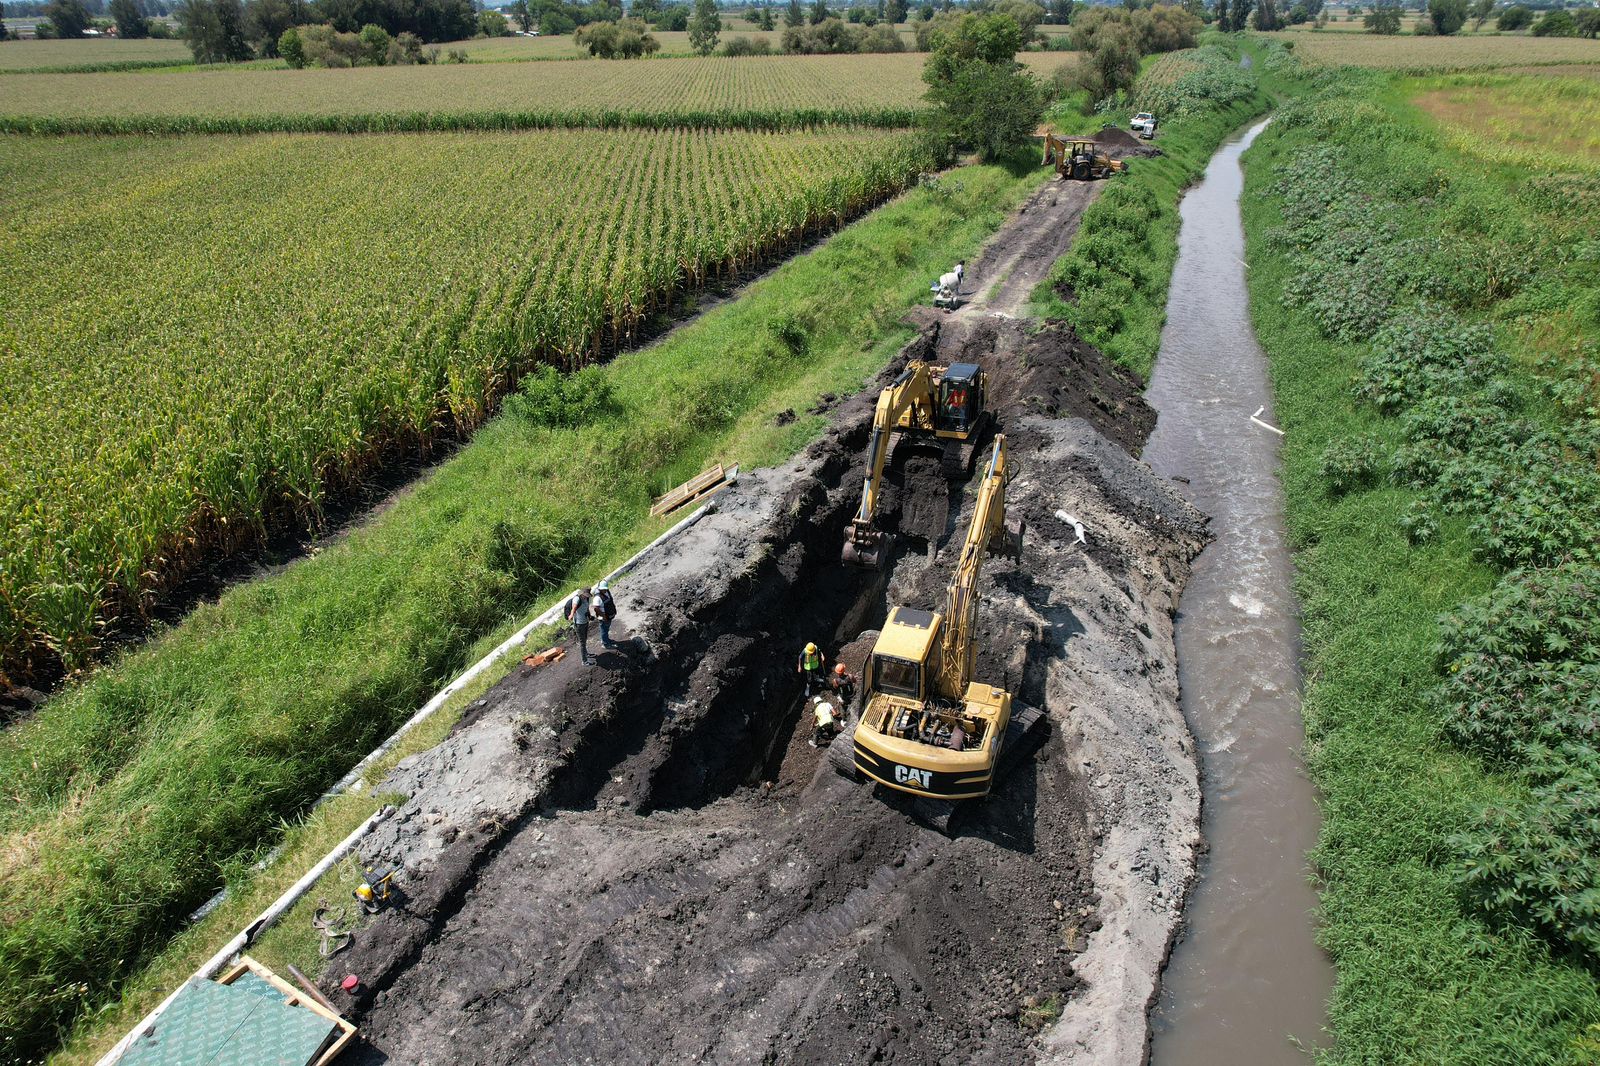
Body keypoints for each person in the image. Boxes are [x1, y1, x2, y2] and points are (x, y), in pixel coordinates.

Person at [564, 586, 592, 665]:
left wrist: (589, 616)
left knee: (585, 639)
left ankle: (586, 654)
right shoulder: (577, 599)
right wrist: (571, 615)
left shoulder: (587, 599)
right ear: (582, 593)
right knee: (582, 642)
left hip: (585, 621)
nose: (586, 596)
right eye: (585, 595)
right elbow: (574, 607)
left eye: (588, 595)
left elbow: (587, 608)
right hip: (579, 624)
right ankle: (584, 661)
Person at [591, 580, 618, 649]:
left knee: (606, 629)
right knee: (604, 630)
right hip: (603, 617)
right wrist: (603, 616)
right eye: (603, 589)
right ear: (599, 589)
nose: (605, 590)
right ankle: (605, 644)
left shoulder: (607, 591)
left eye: (605, 589)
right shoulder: (597, 597)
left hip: (609, 615)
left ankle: (606, 640)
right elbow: (596, 608)